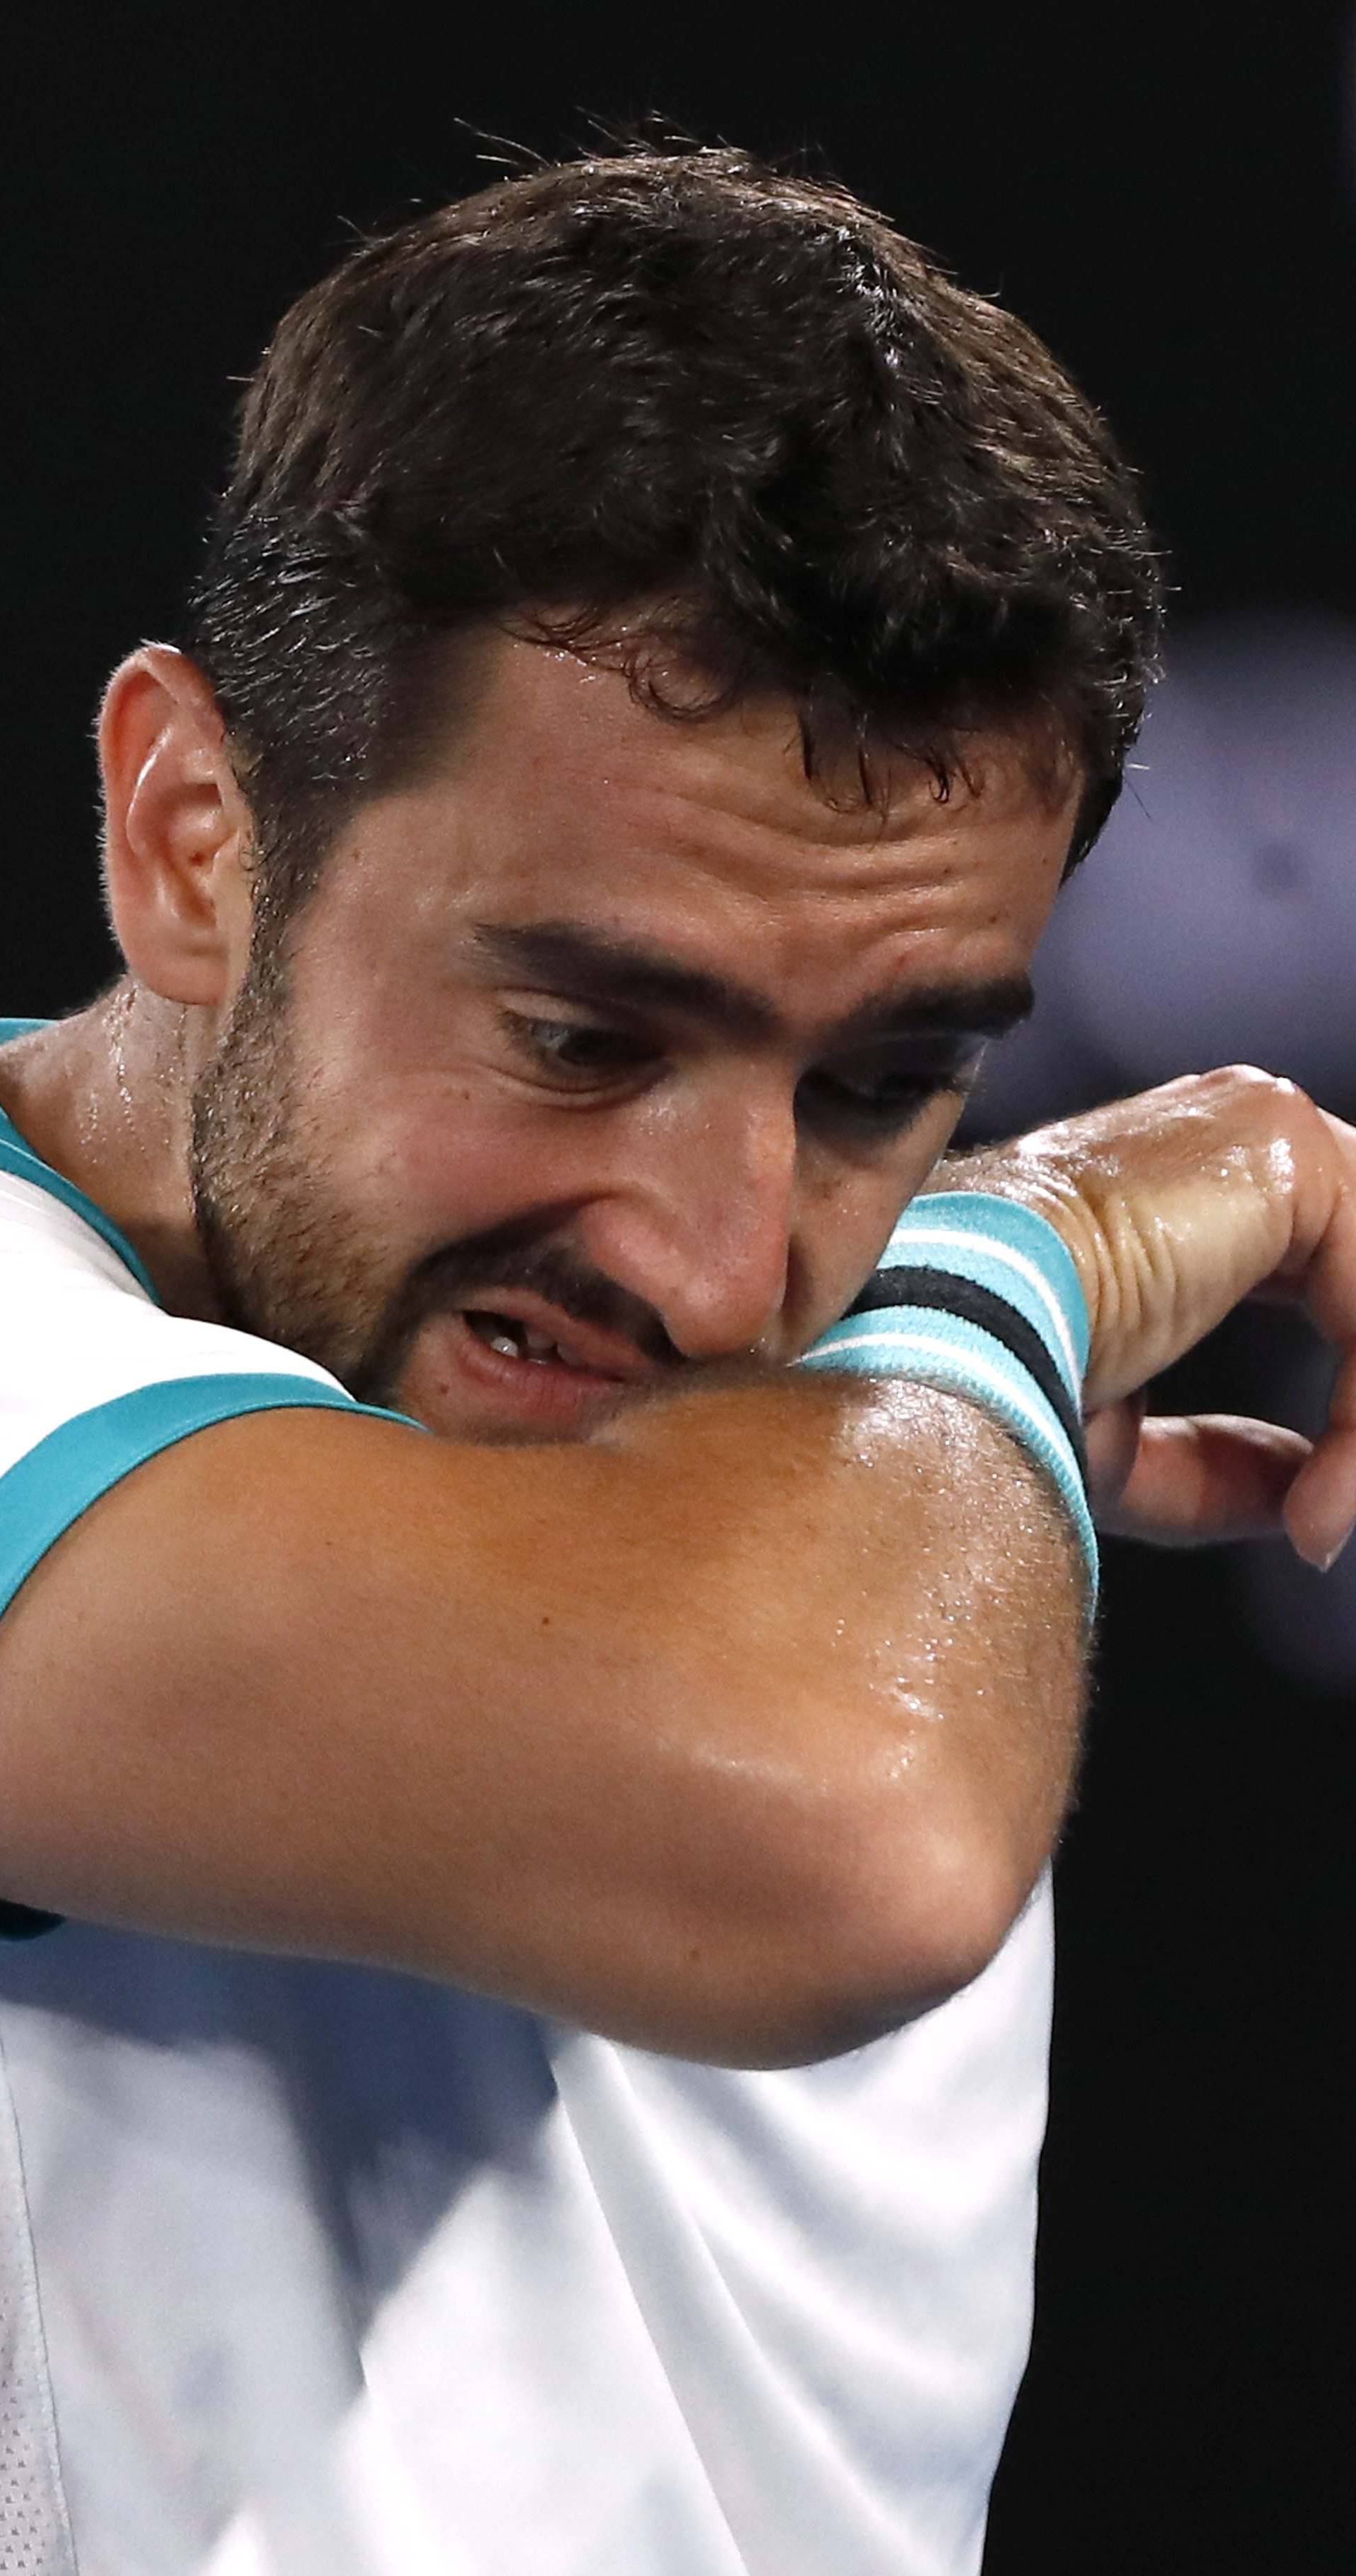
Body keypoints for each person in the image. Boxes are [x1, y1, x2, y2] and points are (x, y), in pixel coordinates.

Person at [0, 148, 1352, 2576]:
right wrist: (1027, 1251)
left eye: (881, 1089)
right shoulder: (941, 1403)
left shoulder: (888, 1478)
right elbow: (840, 1825)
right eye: (581, 1033)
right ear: (194, 835)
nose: (726, 1280)